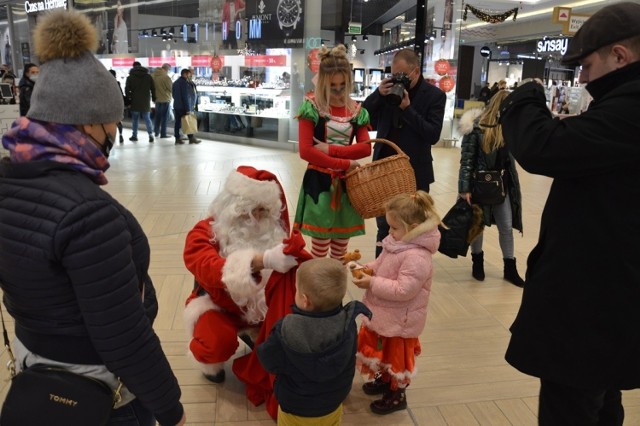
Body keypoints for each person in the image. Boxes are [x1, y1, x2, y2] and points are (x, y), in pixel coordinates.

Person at [0, 10, 185, 425]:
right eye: (111, 124)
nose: (113, 135)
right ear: (87, 123)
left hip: (36, 369)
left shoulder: (9, 178)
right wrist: (169, 407)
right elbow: (122, 336)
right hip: (103, 392)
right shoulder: (88, 214)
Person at [498, 3, 640, 424]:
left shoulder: (632, 108)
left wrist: (524, 94)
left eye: (587, 66)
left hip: (595, 297)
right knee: (601, 392)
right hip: (609, 292)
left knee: (572, 403)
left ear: (619, 56)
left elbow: (544, 147)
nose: (582, 78)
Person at [183, 166, 312, 420]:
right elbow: (206, 267)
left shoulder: (275, 230)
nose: (257, 217)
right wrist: (260, 260)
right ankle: (209, 362)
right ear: (233, 205)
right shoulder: (206, 231)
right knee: (217, 342)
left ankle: (259, 336)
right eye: (250, 209)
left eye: (265, 210)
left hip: (262, 309)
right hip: (218, 305)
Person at [352, 191, 441, 415]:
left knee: (397, 357)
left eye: (393, 227)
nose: (389, 232)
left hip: (401, 320)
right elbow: (382, 262)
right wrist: (369, 268)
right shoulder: (396, 242)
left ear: (412, 228)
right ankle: (385, 380)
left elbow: (404, 290)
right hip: (386, 313)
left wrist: (372, 282)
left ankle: (397, 394)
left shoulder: (417, 256)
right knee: (383, 350)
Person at [257, 258, 372, 425]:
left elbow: (269, 361)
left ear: (305, 300)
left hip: (296, 406)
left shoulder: (286, 329)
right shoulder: (348, 323)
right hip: (333, 402)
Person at [363, 48, 446, 256]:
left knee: (413, 227)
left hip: (415, 173)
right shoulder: (387, 92)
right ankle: (381, 271)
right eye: (393, 74)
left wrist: (407, 109)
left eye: (402, 75)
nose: (398, 79)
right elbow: (363, 118)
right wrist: (376, 95)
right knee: (385, 226)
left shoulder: (435, 96)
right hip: (385, 170)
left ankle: (406, 273)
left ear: (415, 71)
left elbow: (432, 134)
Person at [293, 44, 371, 259]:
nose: (338, 91)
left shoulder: (358, 111)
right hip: (320, 184)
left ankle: (334, 291)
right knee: (319, 249)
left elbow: (365, 148)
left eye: (342, 85)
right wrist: (346, 162)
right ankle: (316, 292)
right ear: (322, 83)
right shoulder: (311, 107)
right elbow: (306, 151)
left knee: (340, 250)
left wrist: (330, 149)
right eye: (332, 85)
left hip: (348, 185)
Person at [457, 89, 525, 287]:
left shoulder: (509, 127)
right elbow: (467, 160)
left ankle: (509, 268)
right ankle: (477, 263)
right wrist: (464, 189)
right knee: (478, 226)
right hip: (479, 186)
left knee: (506, 227)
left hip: (502, 187)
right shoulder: (476, 128)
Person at [125, 61, 156, 143]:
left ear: (133, 67)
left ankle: (134, 135)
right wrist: (154, 98)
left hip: (135, 101)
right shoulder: (148, 77)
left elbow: (127, 90)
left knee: (135, 119)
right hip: (145, 101)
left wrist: (129, 99)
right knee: (147, 119)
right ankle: (150, 135)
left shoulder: (130, 77)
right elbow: (153, 88)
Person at [172, 68, 200, 145]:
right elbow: (186, 96)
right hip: (184, 106)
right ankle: (191, 138)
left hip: (177, 106)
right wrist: (188, 108)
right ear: (184, 74)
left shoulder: (176, 82)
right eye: (189, 74)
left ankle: (177, 139)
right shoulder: (184, 83)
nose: (190, 75)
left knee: (177, 123)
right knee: (188, 122)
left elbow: (173, 95)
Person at [151, 63, 172, 138]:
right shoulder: (165, 77)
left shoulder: (153, 75)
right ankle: (163, 134)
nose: (169, 71)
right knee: (164, 118)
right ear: (166, 69)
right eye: (169, 69)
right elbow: (171, 88)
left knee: (157, 117)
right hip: (165, 99)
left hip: (157, 99)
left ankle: (156, 132)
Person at [109, 69, 125, 144]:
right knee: (118, 121)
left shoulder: (105, 83)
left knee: (109, 122)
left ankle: (110, 137)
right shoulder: (117, 83)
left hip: (108, 105)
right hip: (116, 105)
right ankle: (121, 135)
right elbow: (120, 94)